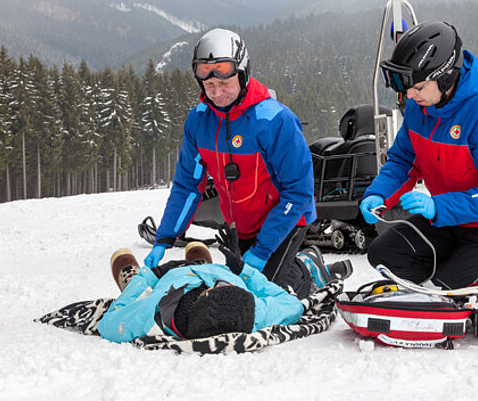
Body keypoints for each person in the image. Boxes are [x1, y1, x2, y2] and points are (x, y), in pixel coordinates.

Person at [144, 28, 349, 297]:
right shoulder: (199, 121)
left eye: (225, 84)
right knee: (233, 292)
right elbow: (187, 185)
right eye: (209, 85)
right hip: (239, 224)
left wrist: (262, 251)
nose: (217, 92)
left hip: (285, 220)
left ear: (242, 74)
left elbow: (298, 192)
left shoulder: (275, 120)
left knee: (265, 296)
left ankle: (308, 266)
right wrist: (165, 238)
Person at [359, 21, 478, 289]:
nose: (409, 94)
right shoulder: (417, 110)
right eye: (406, 87)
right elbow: (402, 162)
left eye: (418, 87)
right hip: (450, 221)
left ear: (444, 78)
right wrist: (379, 195)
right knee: (383, 254)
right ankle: (453, 272)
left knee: (444, 294)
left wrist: (439, 206)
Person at [98, 233, 304, 343]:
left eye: (222, 285)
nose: (225, 281)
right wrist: (242, 271)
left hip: (172, 280)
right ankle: (202, 264)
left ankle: (133, 281)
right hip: (211, 272)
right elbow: (292, 305)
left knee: (140, 292)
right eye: (231, 285)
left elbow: (108, 324)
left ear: (203, 294)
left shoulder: (151, 312)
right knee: (205, 264)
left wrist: (151, 275)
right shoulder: (254, 313)